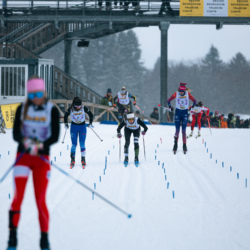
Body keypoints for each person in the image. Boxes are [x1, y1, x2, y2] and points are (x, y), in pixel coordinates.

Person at [7, 77, 60, 250]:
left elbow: (55, 136)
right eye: (32, 95)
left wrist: (41, 145)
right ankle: (12, 237)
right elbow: (15, 134)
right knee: (18, 198)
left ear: (44, 92)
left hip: (41, 159)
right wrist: (26, 142)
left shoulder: (51, 110)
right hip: (23, 157)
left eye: (38, 94)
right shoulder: (22, 108)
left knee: (40, 200)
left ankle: (44, 239)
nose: (35, 98)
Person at [64, 97, 93, 168]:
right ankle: (72, 159)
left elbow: (91, 114)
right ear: (74, 105)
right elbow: (65, 116)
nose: (78, 108)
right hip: (74, 127)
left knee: (82, 144)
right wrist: (66, 124)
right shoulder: (71, 109)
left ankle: (83, 159)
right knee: (74, 144)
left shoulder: (83, 108)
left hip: (82, 127)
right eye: (76, 107)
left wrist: (90, 123)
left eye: (79, 106)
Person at [167, 82, 196, 153]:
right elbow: (168, 100)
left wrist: (191, 107)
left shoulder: (188, 94)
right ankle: (175, 145)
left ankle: (184, 145)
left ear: (185, 90)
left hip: (185, 113)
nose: (182, 93)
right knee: (177, 130)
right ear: (179, 90)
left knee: (184, 130)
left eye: (183, 91)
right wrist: (170, 107)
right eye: (181, 91)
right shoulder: (176, 94)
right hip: (177, 113)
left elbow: (195, 101)